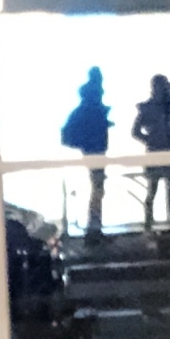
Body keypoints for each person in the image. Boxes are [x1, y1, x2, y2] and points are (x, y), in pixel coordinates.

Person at [60, 66, 112, 238]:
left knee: (97, 188)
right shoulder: (92, 102)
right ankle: (94, 229)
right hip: (95, 149)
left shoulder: (86, 103)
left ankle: (94, 227)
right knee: (98, 189)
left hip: (93, 148)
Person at [131, 73, 170, 227]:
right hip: (156, 153)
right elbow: (135, 131)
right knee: (153, 189)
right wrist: (150, 140)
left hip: (168, 152)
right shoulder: (148, 108)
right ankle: (149, 223)